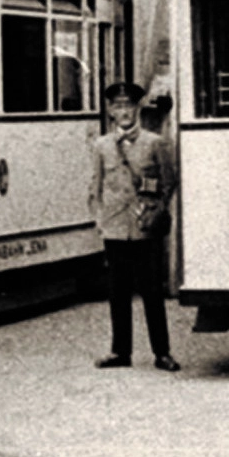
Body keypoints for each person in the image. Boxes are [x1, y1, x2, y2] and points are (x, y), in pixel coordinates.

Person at [90, 80, 179, 372]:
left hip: (144, 227)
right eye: (117, 106)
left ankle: (162, 352)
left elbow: (169, 181)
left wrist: (156, 210)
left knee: (152, 292)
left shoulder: (154, 143)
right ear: (110, 111)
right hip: (115, 227)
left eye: (128, 105)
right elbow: (97, 186)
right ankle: (120, 351)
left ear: (137, 108)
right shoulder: (102, 146)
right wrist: (101, 221)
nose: (123, 111)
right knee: (118, 292)